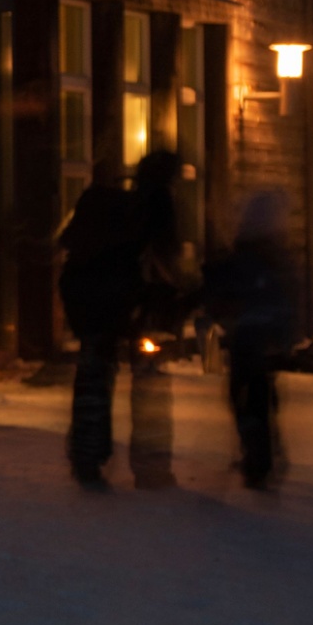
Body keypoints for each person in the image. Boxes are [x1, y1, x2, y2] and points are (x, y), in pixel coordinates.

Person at [201, 190, 302, 489]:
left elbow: (225, 290)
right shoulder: (272, 259)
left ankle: (258, 456)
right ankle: (261, 451)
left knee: (246, 396)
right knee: (257, 396)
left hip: (248, 336)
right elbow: (286, 298)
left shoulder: (245, 258)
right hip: (258, 337)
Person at [56, 172, 140, 488]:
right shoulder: (116, 251)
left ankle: (88, 452)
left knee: (91, 384)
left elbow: (70, 287)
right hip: (103, 325)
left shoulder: (83, 252)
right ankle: (90, 454)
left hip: (93, 326)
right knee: (96, 386)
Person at [123, 149, 187, 489]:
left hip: (137, 302)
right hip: (152, 303)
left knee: (145, 380)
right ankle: (154, 468)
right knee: (153, 383)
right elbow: (161, 250)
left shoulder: (135, 200)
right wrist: (176, 284)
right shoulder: (159, 202)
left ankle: (148, 465)